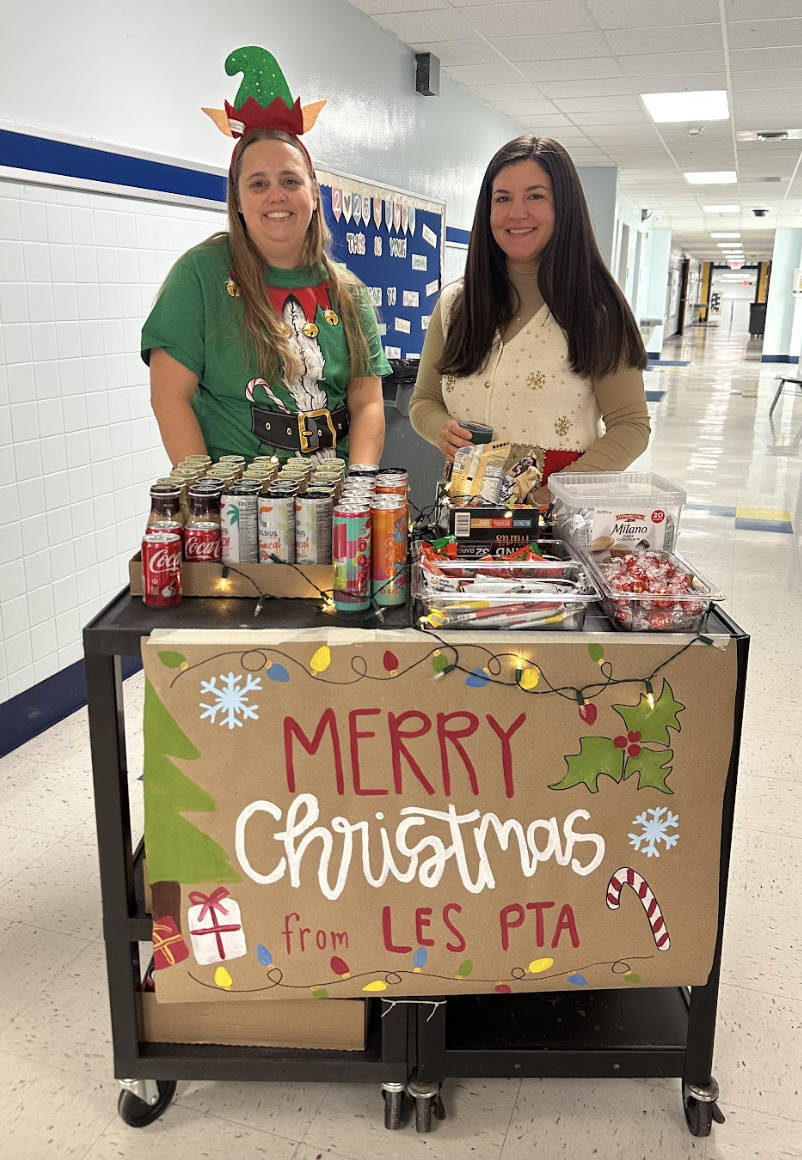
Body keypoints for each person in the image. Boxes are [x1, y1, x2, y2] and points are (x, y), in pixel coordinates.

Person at [142, 46, 389, 466]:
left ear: (313, 192)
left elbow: (366, 402)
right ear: (237, 199)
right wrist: (205, 497)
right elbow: (170, 399)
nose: (276, 195)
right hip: (237, 503)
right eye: (257, 183)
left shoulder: (348, 291)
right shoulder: (200, 275)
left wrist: (360, 490)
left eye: (290, 180)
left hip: (335, 498)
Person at [409, 136, 650, 503]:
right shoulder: (456, 304)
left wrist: (554, 494)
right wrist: (441, 429)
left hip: (555, 517)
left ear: (564, 207)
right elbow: (423, 400)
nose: (516, 212)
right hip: (463, 507)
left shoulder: (596, 311)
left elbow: (631, 427)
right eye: (502, 198)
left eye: (535, 196)